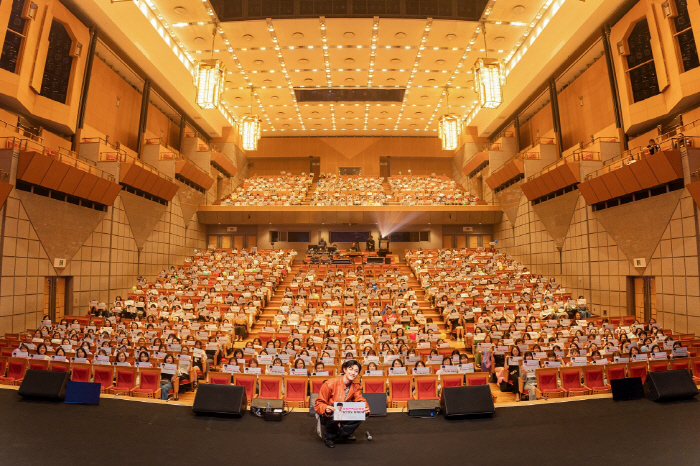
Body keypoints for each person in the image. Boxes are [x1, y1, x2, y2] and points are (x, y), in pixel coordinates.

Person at [314, 359, 370, 448]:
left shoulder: (355, 386)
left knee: (361, 412)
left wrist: (365, 408)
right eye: (350, 369)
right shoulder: (329, 384)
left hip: (342, 412)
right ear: (344, 370)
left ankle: (342, 433)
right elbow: (318, 403)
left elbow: (359, 400)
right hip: (328, 414)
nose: (353, 373)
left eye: (356, 371)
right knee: (335, 414)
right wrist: (325, 408)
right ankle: (329, 437)